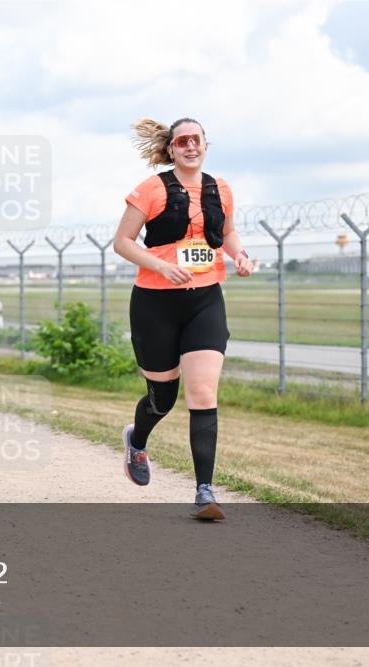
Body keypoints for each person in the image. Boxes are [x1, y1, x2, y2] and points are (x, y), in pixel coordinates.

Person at [113, 117, 253, 521]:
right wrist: (159, 265)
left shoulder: (220, 188)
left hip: (205, 301)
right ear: (171, 149)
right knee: (163, 399)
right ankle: (137, 440)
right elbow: (122, 242)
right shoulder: (152, 189)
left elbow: (228, 233)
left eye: (196, 139)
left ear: (206, 145)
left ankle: (205, 492)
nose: (191, 146)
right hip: (155, 304)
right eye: (182, 141)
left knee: (203, 393)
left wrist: (239, 255)